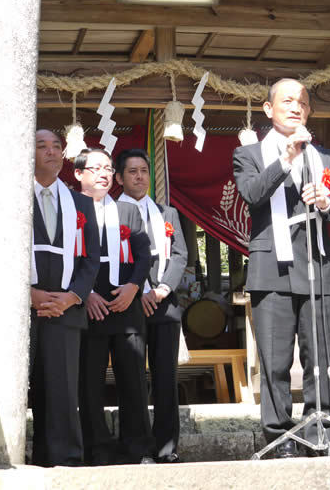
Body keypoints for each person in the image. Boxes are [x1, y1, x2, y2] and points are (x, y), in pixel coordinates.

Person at [233, 79, 330, 458]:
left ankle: (322, 431)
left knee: (319, 359)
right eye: (286, 101)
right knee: (276, 361)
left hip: (316, 265)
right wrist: (285, 158)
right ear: (268, 110)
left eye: (302, 101)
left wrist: (327, 201)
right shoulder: (249, 154)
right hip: (272, 268)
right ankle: (280, 438)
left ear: (309, 111)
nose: (295, 107)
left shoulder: (326, 156)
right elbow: (252, 194)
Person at [74, 147, 154, 465]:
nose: (104, 174)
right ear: (80, 173)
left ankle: (138, 448)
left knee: (133, 379)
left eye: (108, 168)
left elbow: (144, 255)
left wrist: (134, 287)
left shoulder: (127, 210)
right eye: (97, 168)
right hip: (86, 303)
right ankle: (97, 450)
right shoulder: (72, 207)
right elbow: (70, 257)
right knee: (90, 382)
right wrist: (85, 293)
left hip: (126, 302)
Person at [30, 130, 100, 467]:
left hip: (65, 309)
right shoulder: (11, 195)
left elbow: (91, 259)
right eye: (42, 146)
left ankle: (65, 461)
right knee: (25, 388)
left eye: (57, 146)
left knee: (62, 389)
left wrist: (72, 297)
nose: (52, 152)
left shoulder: (81, 203)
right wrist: (26, 294)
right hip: (20, 308)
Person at [115, 148, 188, 464]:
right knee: (132, 377)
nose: (139, 176)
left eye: (143, 170)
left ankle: (166, 446)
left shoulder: (166, 213)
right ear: (119, 177)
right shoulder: (112, 211)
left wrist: (160, 289)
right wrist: (140, 290)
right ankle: (138, 447)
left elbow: (181, 255)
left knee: (165, 379)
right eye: (132, 171)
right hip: (130, 304)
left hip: (164, 304)